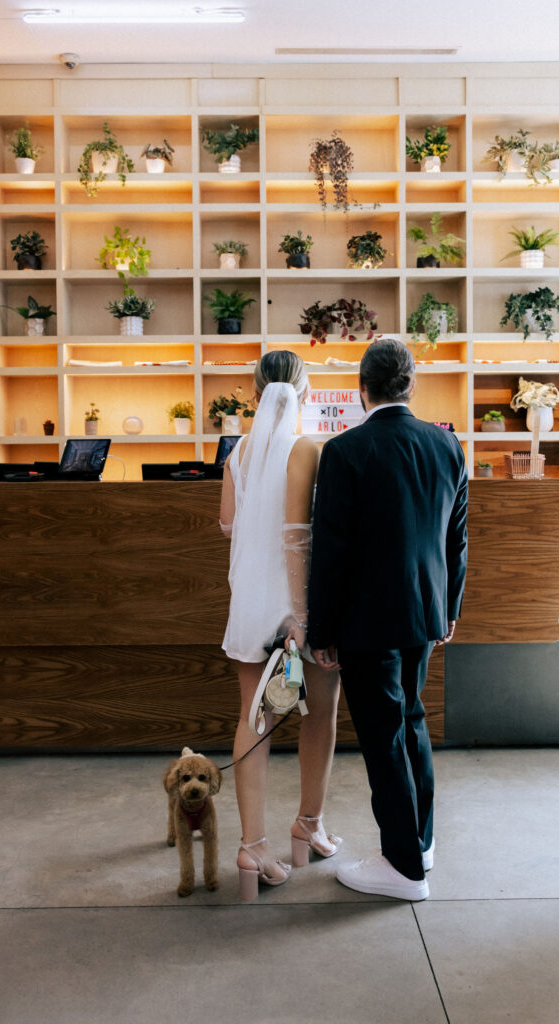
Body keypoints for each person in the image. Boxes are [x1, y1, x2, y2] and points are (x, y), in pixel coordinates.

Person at [307, 338, 468, 902]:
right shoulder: (447, 445)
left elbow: (331, 551)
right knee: (413, 722)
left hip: (365, 620)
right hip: (425, 611)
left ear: (361, 389)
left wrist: (321, 631)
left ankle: (403, 867)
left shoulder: (345, 451)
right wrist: (449, 608)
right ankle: (419, 843)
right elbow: (456, 539)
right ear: (411, 385)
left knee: (384, 736)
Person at [219, 351, 341, 901]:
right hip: (296, 604)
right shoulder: (305, 449)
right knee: (320, 710)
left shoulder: (238, 452)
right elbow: (299, 536)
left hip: (248, 598)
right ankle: (308, 825)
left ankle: (253, 846)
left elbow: (228, 526)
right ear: (306, 390)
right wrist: (301, 615)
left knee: (255, 716)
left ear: (255, 392)